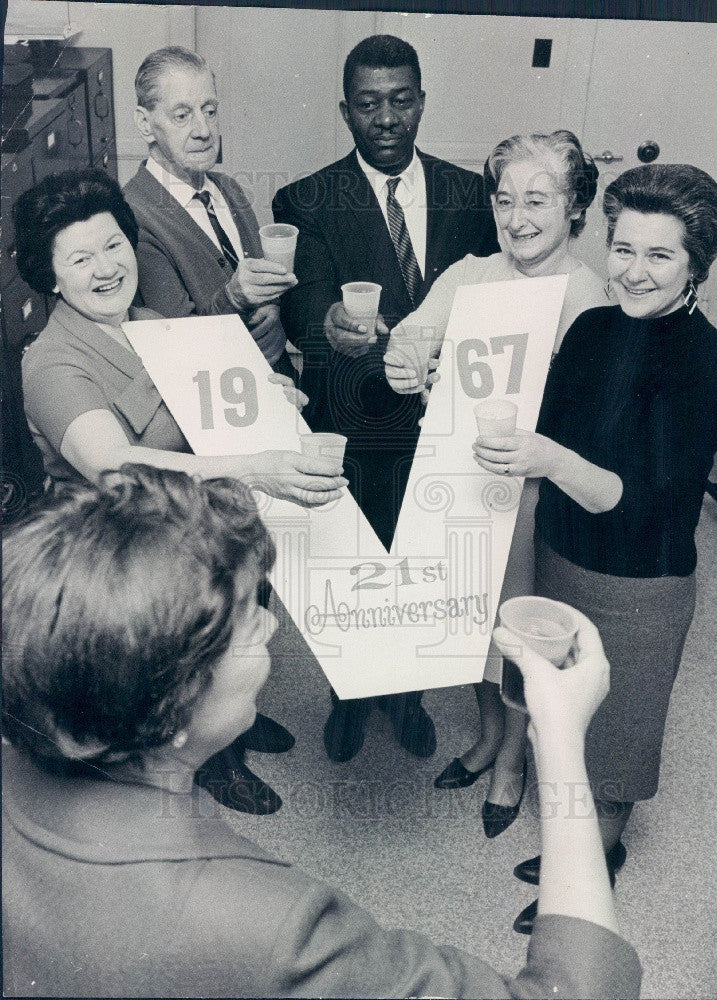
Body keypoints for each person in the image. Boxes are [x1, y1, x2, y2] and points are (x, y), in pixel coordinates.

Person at [1, 464, 643, 998]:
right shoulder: (267, 925)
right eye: (247, 624)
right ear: (167, 709)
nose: (272, 627)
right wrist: (559, 739)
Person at [14, 167, 348, 817]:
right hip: (123, 552)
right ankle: (214, 764)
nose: (105, 267)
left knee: (227, 633)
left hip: (188, 521)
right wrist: (259, 463)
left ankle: (236, 731)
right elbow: (113, 465)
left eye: (113, 245)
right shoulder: (52, 360)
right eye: (80, 258)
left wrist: (260, 393)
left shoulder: (149, 320)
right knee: (185, 661)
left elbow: (200, 400)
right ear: (50, 276)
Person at [469, 163, 717, 933]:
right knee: (561, 719)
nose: (632, 271)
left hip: (638, 584)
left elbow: (643, 501)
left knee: (614, 743)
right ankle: (573, 848)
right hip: (561, 556)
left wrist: (548, 460)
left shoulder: (708, 362)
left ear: (696, 264)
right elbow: (547, 420)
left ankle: (591, 869)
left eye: (659, 256)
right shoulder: (591, 327)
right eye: (622, 249)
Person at [273, 34, 499, 763]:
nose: (387, 118)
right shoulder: (306, 198)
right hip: (351, 417)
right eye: (369, 104)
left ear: (421, 102)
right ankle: (348, 697)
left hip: (440, 420)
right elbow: (304, 310)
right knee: (355, 569)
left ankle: (407, 700)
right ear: (346, 112)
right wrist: (333, 329)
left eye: (401, 100)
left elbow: (491, 297)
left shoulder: (471, 194)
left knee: (425, 566)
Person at [385, 130, 605, 839]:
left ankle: (510, 761)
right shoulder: (469, 275)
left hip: (535, 497)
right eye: (504, 199)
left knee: (519, 634)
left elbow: (598, 421)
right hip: (463, 481)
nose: (517, 218)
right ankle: (485, 737)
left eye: (537, 200)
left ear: (574, 208)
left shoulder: (588, 297)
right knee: (472, 624)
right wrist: (404, 361)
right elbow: (412, 336)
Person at [123, 47, 299, 381]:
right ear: (145, 124)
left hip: (277, 388)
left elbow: (264, 289)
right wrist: (234, 296)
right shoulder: (133, 215)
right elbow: (177, 342)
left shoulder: (228, 189)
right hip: (212, 403)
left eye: (210, 110)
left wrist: (272, 308)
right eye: (182, 115)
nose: (204, 130)